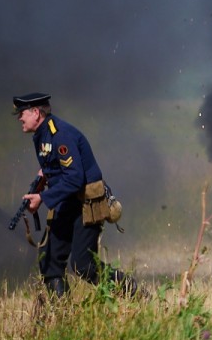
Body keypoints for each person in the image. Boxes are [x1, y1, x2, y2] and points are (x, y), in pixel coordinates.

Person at [13, 93, 136, 298]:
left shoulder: (60, 135)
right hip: (67, 202)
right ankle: (63, 315)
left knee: (84, 266)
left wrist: (43, 198)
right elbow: (55, 168)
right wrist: (43, 179)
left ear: (36, 113)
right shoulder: (43, 134)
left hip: (84, 204)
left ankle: (134, 294)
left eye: (22, 113)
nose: (19, 118)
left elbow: (75, 178)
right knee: (49, 260)